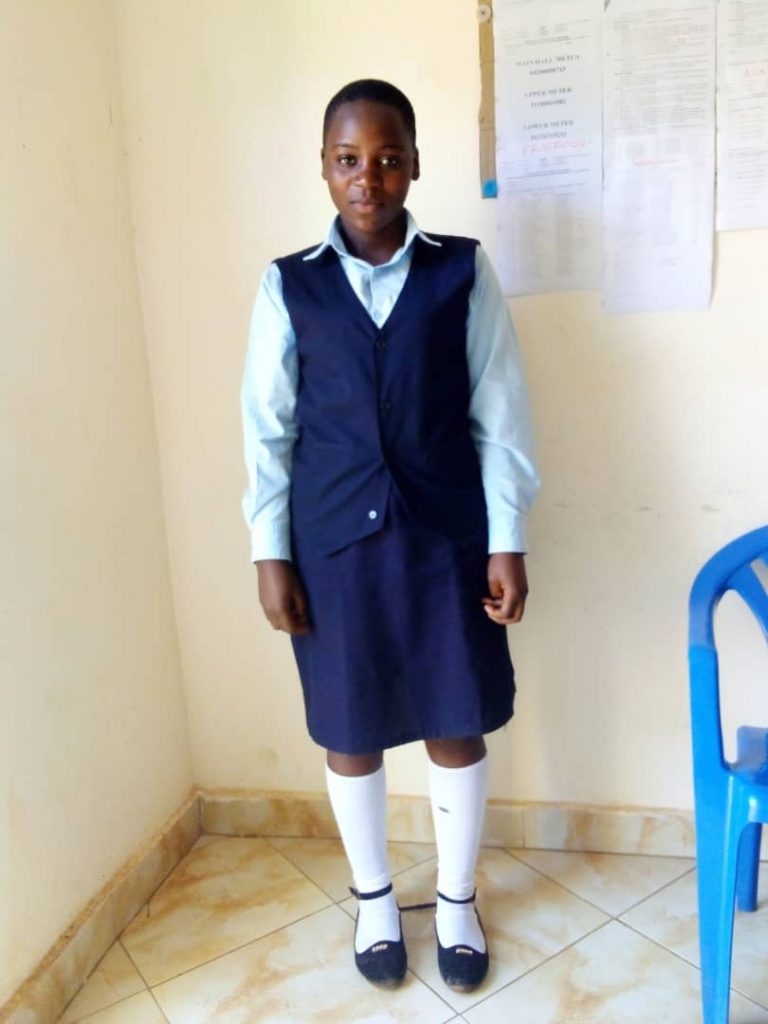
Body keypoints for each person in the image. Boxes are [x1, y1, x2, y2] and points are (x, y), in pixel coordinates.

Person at [241, 79, 539, 993]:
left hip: (446, 541)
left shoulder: (461, 271)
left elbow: (501, 410)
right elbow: (268, 428)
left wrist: (506, 537)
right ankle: (374, 897)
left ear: (414, 164)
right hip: (332, 548)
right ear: (324, 169)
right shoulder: (290, 284)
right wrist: (270, 552)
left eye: (386, 157)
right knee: (351, 727)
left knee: (456, 723)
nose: (367, 176)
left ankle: (454, 898)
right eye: (347, 159)